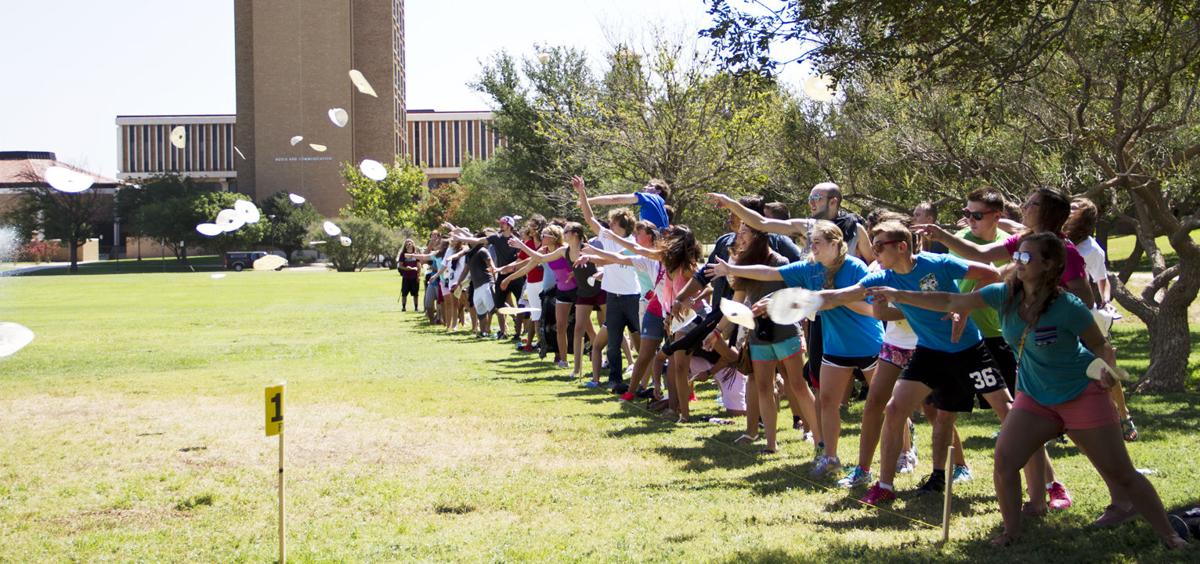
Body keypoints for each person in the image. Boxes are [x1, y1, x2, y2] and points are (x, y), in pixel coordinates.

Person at [867, 233, 1187, 549]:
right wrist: (899, 294)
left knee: (1121, 472)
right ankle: (1011, 532)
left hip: (1080, 394)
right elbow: (952, 300)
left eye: (1026, 257)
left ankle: (1170, 534)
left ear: (1049, 265)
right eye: (1016, 256)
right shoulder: (1003, 295)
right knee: (1005, 463)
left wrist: (1107, 374)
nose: (1017, 262)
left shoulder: (1068, 306)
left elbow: (1101, 345)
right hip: (1035, 397)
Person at [708, 220, 881, 467]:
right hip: (835, 345)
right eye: (811, 243)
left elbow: (870, 307)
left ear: (835, 244)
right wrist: (730, 270)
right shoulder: (809, 269)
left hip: (867, 343)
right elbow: (769, 273)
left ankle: (904, 450)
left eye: (817, 243)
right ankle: (829, 456)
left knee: (883, 403)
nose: (812, 247)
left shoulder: (855, 267)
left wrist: (823, 299)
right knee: (828, 403)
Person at [706, 223, 817, 453]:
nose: (740, 239)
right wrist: (717, 332)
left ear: (759, 237)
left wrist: (776, 305)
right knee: (763, 387)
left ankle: (817, 436)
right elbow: (736, 304)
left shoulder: (780, 263)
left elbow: (796, 297)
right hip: (758, 335)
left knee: (797, 384)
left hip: (786, 332)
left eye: (744, 234)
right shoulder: (745, 266)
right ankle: (770, 444)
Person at [1065, 197, 1136, 441]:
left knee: (1105, 365)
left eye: (1074, 209)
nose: (1068, 211)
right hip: (1059, 314)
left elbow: (1101, 279)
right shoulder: (1056, 240)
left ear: (1085, 218)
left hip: (1085, 315)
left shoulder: (1090, 249)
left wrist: (1105, 302)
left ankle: (1123, 415)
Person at [574, 176, 644, 391]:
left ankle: (644, 381)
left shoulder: (633, 244)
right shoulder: (606, 236)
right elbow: (589, 218)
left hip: (633, 297)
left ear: (622, 226)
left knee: (641, 341)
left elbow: (611, 259)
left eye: (612, 222)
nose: (608, 224)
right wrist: (582, 193)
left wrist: (592, 256)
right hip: (612, 296)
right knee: (613, 343)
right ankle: (615, 380)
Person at [501, 225, 575, 369]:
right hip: (548, 291)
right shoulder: (543, 250)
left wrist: (521, 245)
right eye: (542, 235)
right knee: (551, 325)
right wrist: (508, 278)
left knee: (574, 325)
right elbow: (528, 267)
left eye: (545, 235)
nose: (542, 237)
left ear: (554, 236)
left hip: (568, 290)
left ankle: (588, 352)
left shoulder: (564, 249)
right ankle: (559, 355)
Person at [581, 177, 671, 229]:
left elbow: (614, 199)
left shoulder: (649, 197)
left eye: (650, 186)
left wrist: (587, 201)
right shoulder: (662, 208)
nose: (645, 187)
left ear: (658, 191)